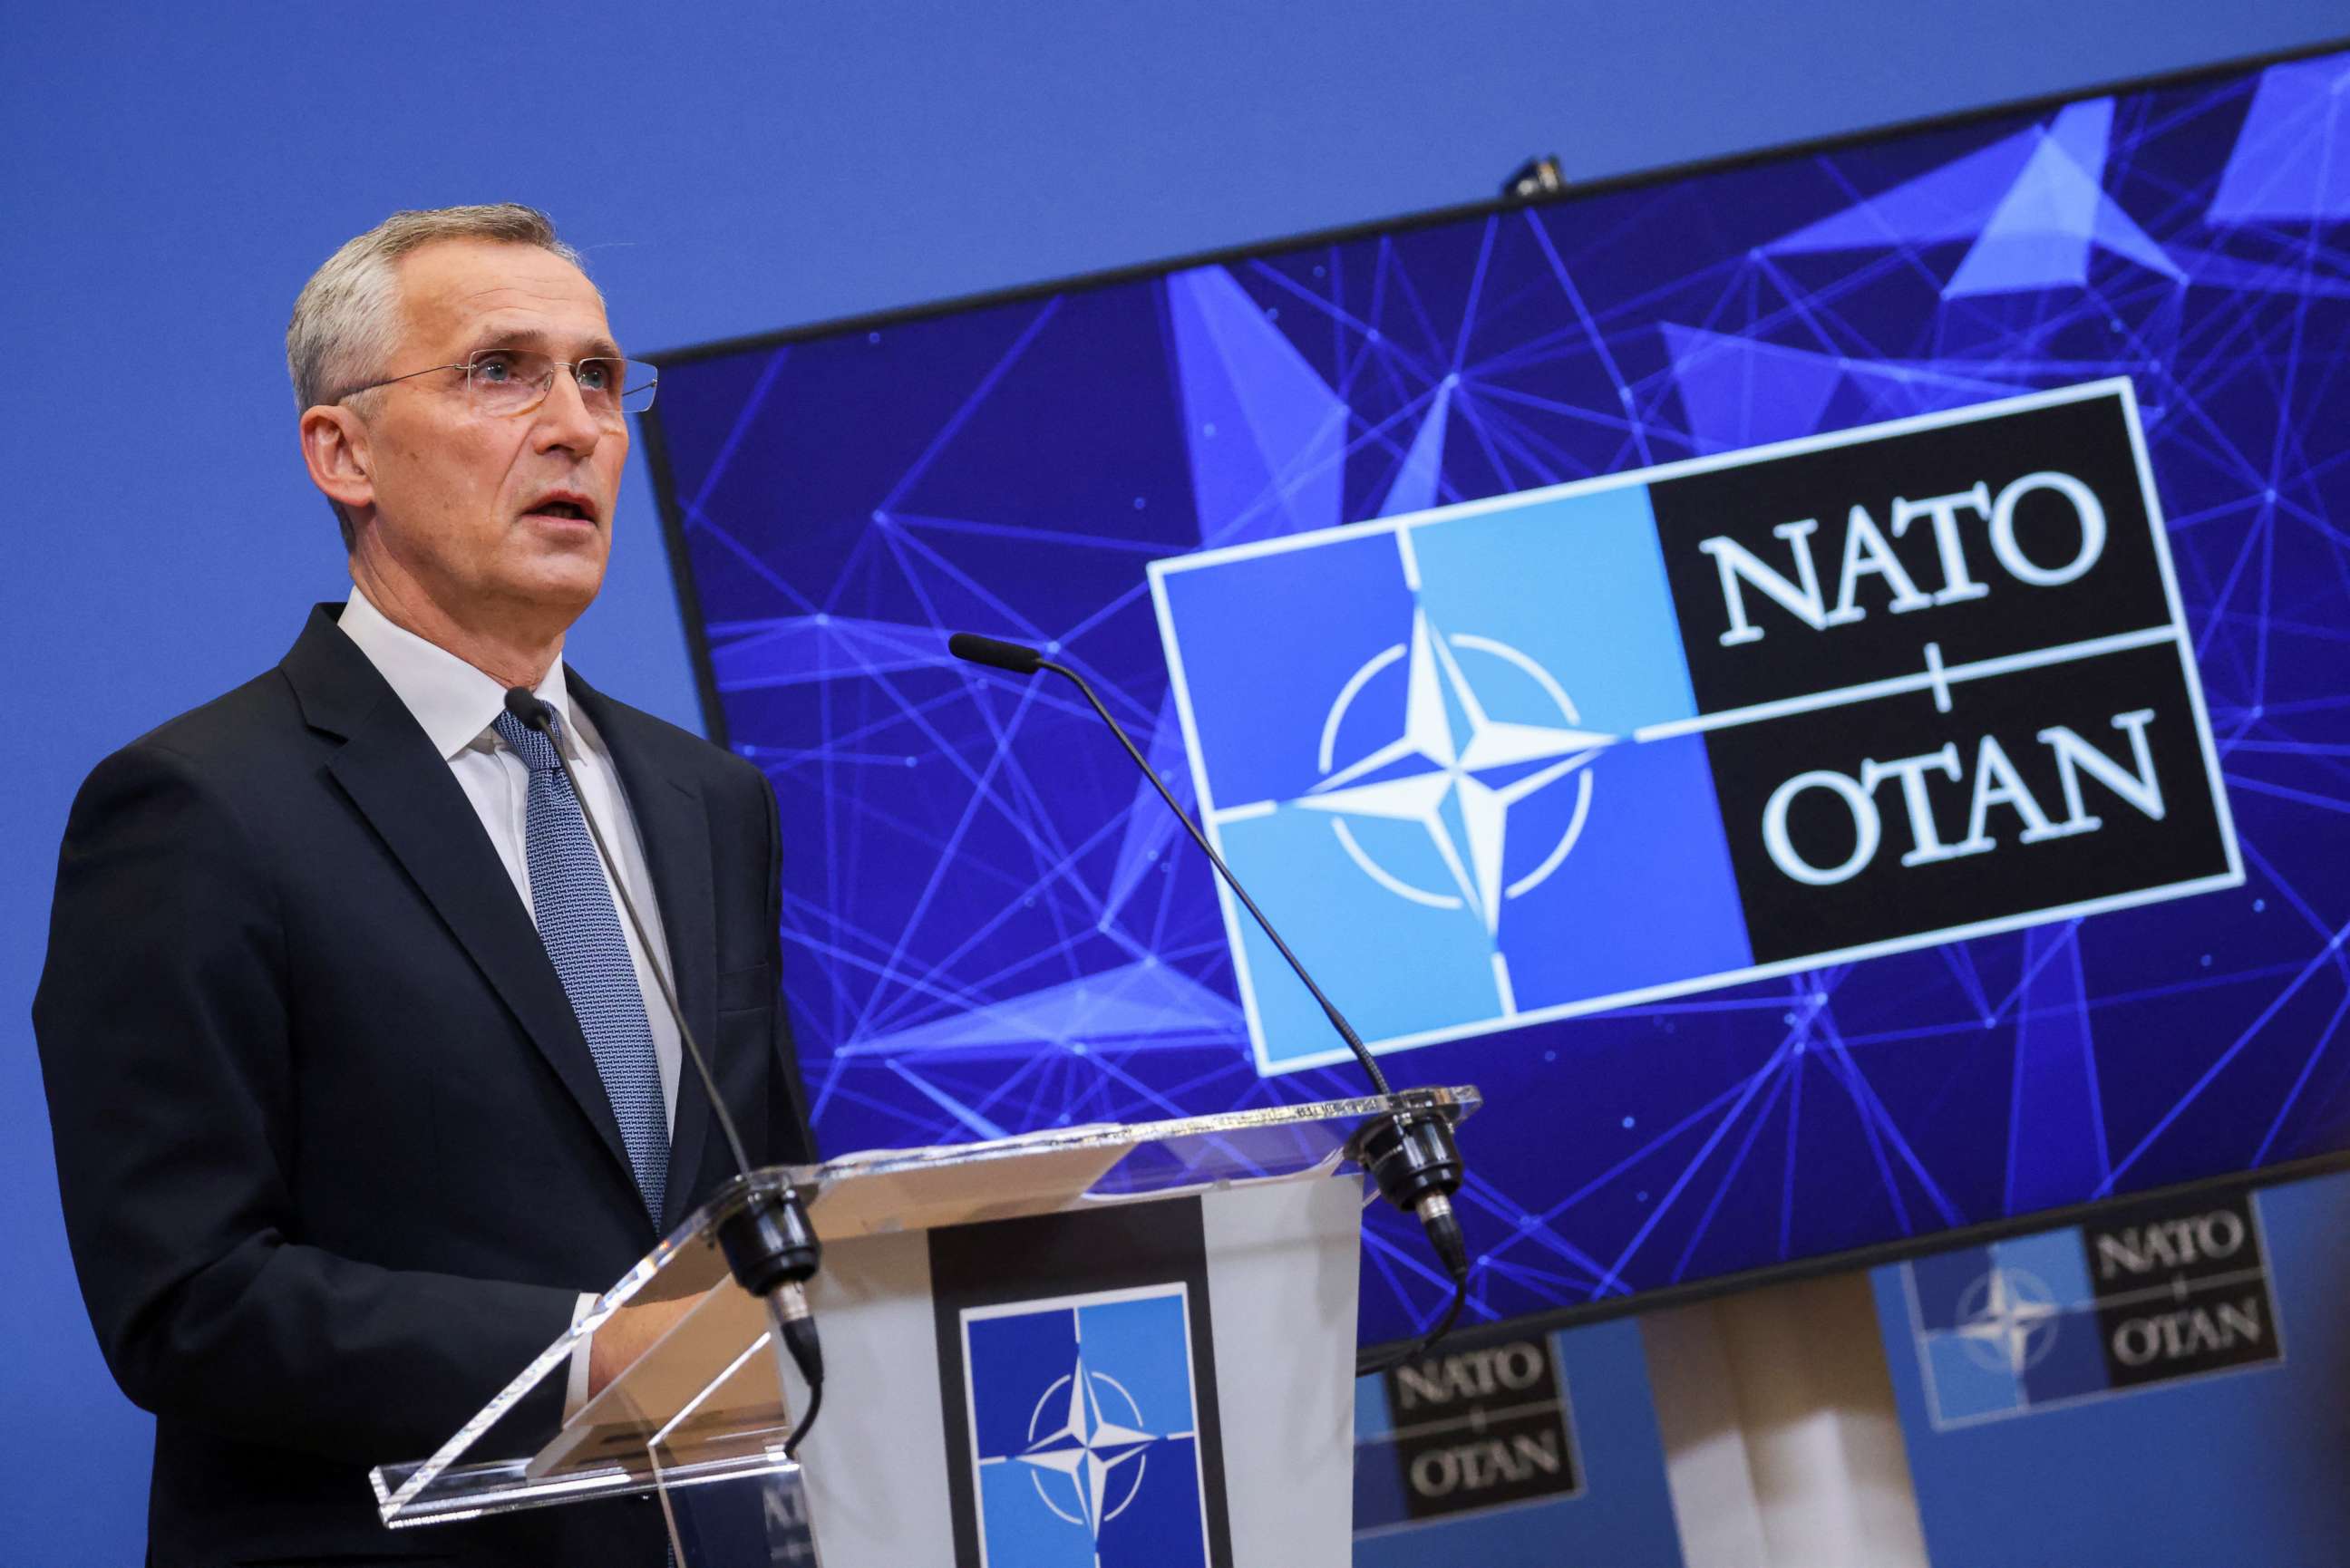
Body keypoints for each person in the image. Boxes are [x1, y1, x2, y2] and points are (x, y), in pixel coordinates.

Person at [33, 204, 813, 1567]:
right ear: (342, 451)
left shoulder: (711, 802)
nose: (575, 424)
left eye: (599, 376)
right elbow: (187, 1293)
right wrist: (586, 1355)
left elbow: (771, 1204)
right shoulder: (198, 807)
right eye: (500, 371)